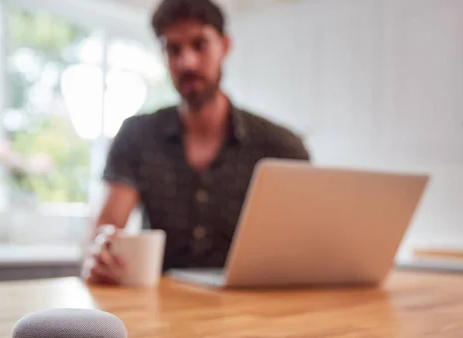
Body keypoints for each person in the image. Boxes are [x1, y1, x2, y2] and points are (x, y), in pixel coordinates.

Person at [81, 0, 310, 285]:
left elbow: (305, 246)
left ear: (225, 46)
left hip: (254, 308)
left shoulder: (281, 147)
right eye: (173, 49)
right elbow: (108, 229)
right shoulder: (136, 136)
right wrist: (101, 254)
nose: (187, 62)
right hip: (161, 308)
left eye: (199, 45)